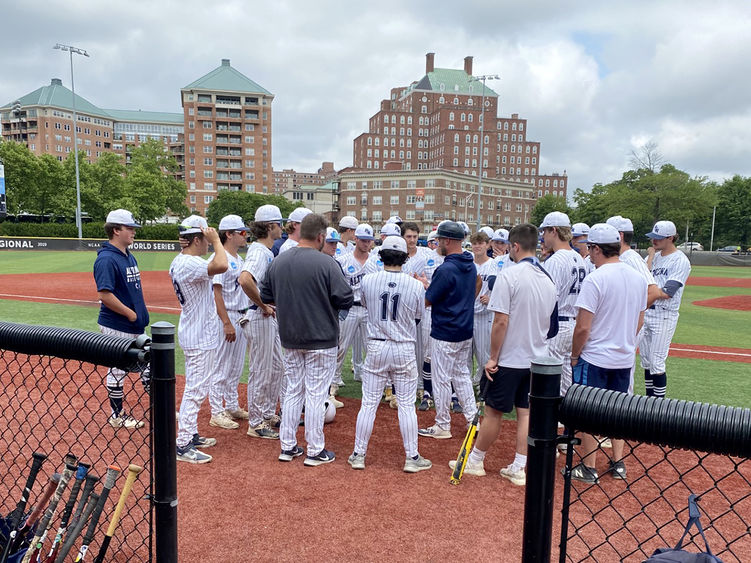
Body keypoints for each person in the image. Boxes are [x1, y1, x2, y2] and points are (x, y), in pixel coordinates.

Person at [450, 224, 556, 485]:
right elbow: (551, 326)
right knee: (525, 413)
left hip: (510, 358)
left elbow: (500, 322)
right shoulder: (548, 278)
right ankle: (519, 467)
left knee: (494, 412)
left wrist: (493, 357)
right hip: (536, 359)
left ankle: (476, 460)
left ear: (515, 247)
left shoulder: (510, 275)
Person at [261, 213, 354, 466]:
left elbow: (265, 295)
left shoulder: (279, 261)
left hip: (290, 336)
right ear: (321, 237)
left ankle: (288, 446)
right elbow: (346, 298)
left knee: (293, 390)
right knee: (315, 394)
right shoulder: (326, 263)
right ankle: (315, 450)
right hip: (321, 338)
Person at [569, 223, 648, 483]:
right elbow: (640, 318)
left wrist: (574, 354)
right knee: (617, 412)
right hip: (623, 357)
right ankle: (618, 462)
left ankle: (589, 467)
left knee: (588, 412)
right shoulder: (637, 277)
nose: (589, 253)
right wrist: (625, 340)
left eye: (590, 248)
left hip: (595, 356)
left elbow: (583, 327)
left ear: (596, 248)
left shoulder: (596, 278)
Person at [348, 236, 431, 473]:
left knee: (369, 403)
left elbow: (365, 305)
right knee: (406, 405)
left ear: (381, 255)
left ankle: (358, 454)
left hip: (376, 344)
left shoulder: (368, 280)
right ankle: (411, 457)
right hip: (404, 345)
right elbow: (417, 316)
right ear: (405, 257)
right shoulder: (415, 285)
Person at [170, 215, 229, 464]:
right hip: (198, 335)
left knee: (196, 387)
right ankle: (182, 443)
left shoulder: (182, 261)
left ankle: (190, 434)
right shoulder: (190, 264)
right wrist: (217, 242)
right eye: (204, 238)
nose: (207, 243)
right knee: (195, 390)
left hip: (195, 330)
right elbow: (222, 265)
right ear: (196, 239)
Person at [417, 221, 479, 439]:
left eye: (440, 239)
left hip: (445, 330)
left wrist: (424, 286)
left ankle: (443, 424)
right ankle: (473, 418)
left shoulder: (446, 268)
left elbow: (427, 301)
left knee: (441, 378)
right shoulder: (470, 265)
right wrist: (429, 285)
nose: (437, 243)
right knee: (461, 375)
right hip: (464, 329)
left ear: (448, 241)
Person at [93, 209, 150, 429]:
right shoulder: (107, 259)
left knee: (150, 362)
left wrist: (137, 316)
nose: (134, 232)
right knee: (118, 369)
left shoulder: (128, 255)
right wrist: (130, 313)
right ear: (116, 230)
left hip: (134, 325)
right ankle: (116, 415)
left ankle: (159, 406)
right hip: (117, 324)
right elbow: (105, 295)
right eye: (130, 228)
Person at [238, 205, 285, 440]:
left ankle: (266, 413)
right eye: (279, 224)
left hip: (266, 317)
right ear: (269, 227)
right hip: (259, 316)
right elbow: (245, 280)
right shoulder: (259, 251)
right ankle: (255, 422)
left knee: (276, 367)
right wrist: (263, 305)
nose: (282, 227)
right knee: (261, 371)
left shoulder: (266, 250)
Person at [606, 215, 661, 394]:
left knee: (623, 371)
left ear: (620, 236)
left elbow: (652, 291)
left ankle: (623, 414)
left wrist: (630, 314)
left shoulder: (630, 258)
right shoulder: (625, 257)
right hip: (624, 324)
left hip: (628, 325)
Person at [207, 214, 251, 432]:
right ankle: (216, 411)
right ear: (228, 235)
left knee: (235, 366)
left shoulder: (238, 259)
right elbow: (217, 293)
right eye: (241, 232)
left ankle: (231, 405)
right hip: (228, 316)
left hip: (241, 315)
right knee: (222, 365)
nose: (245, 236)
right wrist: (226, 322)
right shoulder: (220, 257)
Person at [640, 220, 691, 398]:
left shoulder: (680, 260)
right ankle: (649, 401)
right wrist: (652, 258)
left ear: (670, 238)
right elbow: (642, 279)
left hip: (664, 315)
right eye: (653, 237)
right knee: (646, 362)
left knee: (656, 363)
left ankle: (659, 405)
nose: (654, 241)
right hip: (647, 312)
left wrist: (649, 296)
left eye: (658, 238)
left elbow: (668, 292)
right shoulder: (651, 258)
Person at [539, 211, 587, 397]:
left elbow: (547, 298)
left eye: (545, 231)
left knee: (549, 374)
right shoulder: (579, 259)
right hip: (572, 321)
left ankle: (552, 417)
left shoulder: (555, 260)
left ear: (554, 230)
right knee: (566, 373)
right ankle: (567, 417)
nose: (543, 236)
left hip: (556, 323)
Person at [334, 224, 379, 393]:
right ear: (356, 239)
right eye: (363, 240)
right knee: (341, 346)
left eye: (369, 241)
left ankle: (375, 382)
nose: (366, 244)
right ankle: (334, 381)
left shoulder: (376, 262)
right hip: (350, 308)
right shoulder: (344, 261)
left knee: (372, 347)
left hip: (369, 310)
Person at [418, 229, 444, 411]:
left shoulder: (459, 258)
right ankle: (427, 392)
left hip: (448, 312)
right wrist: (424, 284)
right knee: (428, 352)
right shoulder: (426, 257)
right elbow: (416, 280)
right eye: (435, 240)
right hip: (429, 310)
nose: (437, 243)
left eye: (439, 239)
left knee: (446, 354)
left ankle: (450, 393)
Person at [469, 231, 496, 388]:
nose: (477, 246)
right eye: (475, 243)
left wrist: (493, 300)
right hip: (468, 314)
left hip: (486, 315)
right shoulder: (468, 264)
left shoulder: (494, 264)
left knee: (484, 354)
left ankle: (483, 385)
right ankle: (465, 385)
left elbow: (502, 289)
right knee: (465, 354)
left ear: (487, 244)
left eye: (481, 243)